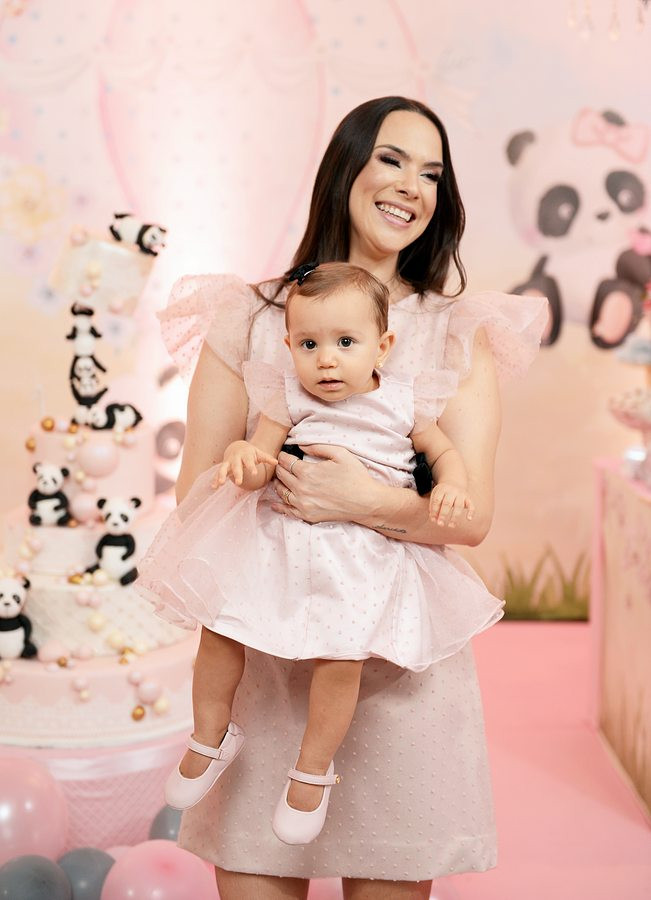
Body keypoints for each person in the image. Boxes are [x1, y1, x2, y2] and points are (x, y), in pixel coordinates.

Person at [152, 96, 548, 899]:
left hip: (392, 669)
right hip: (266, 667)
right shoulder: (251, 317)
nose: (410, 185)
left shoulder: (454, 331)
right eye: (391, 159)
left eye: (431, 173)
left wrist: (361, 501)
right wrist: (263, 478)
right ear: (345, 168)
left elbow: (469, 517)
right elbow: (196, 496)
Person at [137, 261, 505, 846]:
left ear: (382, 347)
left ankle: (312, 770)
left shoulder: (404, 401)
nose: (326, 360)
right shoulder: (286, 397)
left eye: (345, 343)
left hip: (359, 555)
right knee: (222, 626)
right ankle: (210, 734)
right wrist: (243, 459)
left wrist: (452, 484)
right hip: (279, 544)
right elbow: (260, 456)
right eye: (309, 344)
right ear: (288, 347)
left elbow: (443, 454)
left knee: (341, 659)